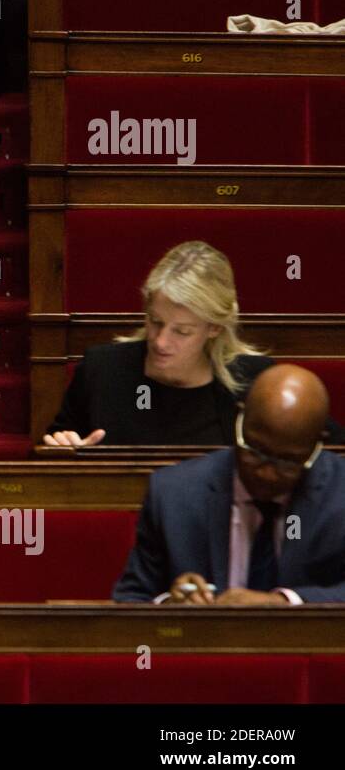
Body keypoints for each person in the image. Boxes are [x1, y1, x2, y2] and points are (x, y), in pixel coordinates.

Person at [44, 241, 343, 446]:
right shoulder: (102, 370)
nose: (161, 342)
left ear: (213, 327)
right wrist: (65, 449)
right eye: (155, 322)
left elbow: (332, 453)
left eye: (182, 331)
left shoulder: (254, 380)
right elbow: (53, 450)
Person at [114, 364, 345, 603]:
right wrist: (171, 606)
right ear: (239, 421)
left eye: (287, 462)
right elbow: (131, 599)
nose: (267, 473)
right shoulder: (173, 494)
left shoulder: (340, 494)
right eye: (255, 451)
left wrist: (284, 603)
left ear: (317, 444)